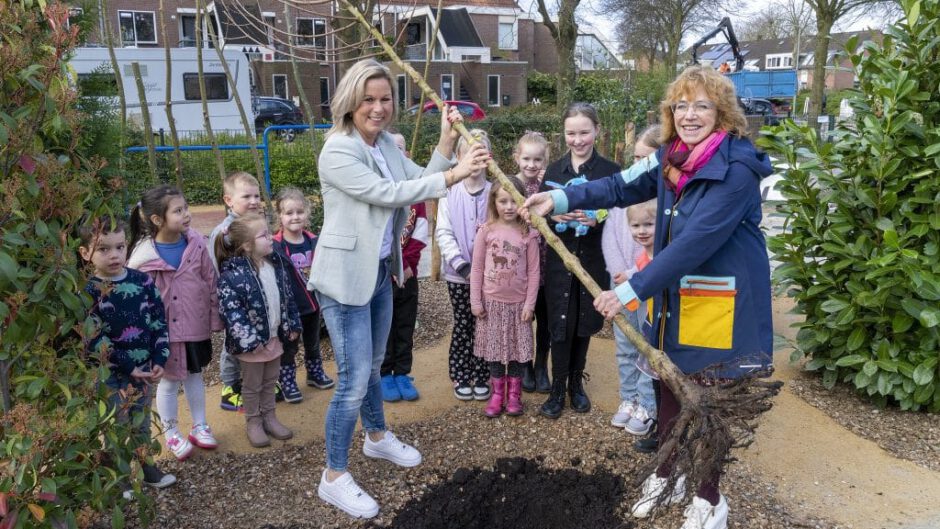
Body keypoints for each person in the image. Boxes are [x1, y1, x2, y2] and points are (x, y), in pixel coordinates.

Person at [523, 65, 774, 529]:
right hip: (675, 297)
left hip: (719, 303)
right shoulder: (671, 157)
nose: (689, 114)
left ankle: (710, 498)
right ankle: (667, 471)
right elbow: (618, 186)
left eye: (701, 105)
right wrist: (558, 201)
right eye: (681, 105)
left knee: (706, 401)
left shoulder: (737, 168)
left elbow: (695, 242)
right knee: (666, 386)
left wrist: (629, 290)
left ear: (721, 112)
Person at [307, 59, 489, 519]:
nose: (378, 107)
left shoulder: (385, 143)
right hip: (346, 279)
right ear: (350, 101)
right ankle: (333, 476)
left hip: (380, 273)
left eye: (385, 98)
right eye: (368, 99)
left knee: (370, 368)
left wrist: (447, 145)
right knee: (351, 381)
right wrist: (455, 172)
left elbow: (415, 179)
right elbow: (389, 194)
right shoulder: (338, 150)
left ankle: (376, 437)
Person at [79, 216, 177, 492]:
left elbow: (158, 321)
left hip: (143, 368)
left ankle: (148, 468)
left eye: (120, 247)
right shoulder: (87, 292)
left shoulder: (143, 282)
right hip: (110, 373)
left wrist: (160, 358)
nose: (114, 255)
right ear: (86, 253)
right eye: (104, 249)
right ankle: (120, 478)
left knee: (141, 420)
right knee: (115, 424)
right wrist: (124, 364)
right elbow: (94, 336)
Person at [127, 185, 222, 461]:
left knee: (195, 375)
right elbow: (135, 300)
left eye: (186, 208)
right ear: (158, 220)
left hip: (194, 324)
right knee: (168, 382)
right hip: (163, 332)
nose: (186, 214)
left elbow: (210, 280)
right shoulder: (143, 258)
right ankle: (170, 431)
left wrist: (214, 317)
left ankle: (200, 425)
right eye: (178, 211)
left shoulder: (195, 243)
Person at [538, 103, 619, 420]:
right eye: (571, 133)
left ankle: (576, 383)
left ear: (597, 130)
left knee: (584, 321)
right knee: (561, 322)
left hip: (593, 257)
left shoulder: (611, 171)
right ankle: (557, 386)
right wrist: (552, 212)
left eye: (584, 132)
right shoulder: (554, 171)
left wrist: (598, 219)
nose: (578, 140)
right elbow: (539, 216)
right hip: (561, 260)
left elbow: (622, 215)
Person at [216, 214, 302, 449]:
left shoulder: (276, 266)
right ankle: (253, 421)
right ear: (246, 245)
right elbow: (232, 312)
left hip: (274, 337)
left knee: (270, 381)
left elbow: (288, 297)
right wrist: (250, 340)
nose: (271, 238)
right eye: (264, 235)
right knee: (252, 385)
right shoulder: (232, 276)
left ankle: (270, 417)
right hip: (252, 345)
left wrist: (292, 323)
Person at [602, 126, 661, 438]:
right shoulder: (624, 195)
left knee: (645, 347)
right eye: (635, 158)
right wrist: (618, 273)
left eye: (645, 159)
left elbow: (662, 254)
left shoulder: (666, 201)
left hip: (647, 286)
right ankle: (629, 399)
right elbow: (610, 237)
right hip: (621, 283)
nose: (638, 165)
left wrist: (636, 277)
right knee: (625, 344)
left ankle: (647, 403)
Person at [470, 177, 540, 418]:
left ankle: (514, 395)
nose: (509, 206)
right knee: (495, 352)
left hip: (518, 305)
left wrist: (530, 304)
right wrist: (476, 301)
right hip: (491, 305)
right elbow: (477, 268)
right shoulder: (486, 231)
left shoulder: (528, 233)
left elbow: (534, 272)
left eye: (514, 201)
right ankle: (497, 394)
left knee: (518, 352)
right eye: (503, 201)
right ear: (494, 202)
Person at [437, 129, 494, 402]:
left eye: (480, 153)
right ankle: (461, 373)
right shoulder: (449, 192)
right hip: (459, 276)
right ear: (458, 157)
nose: (474, 159)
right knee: (463, 323)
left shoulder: (495, 193)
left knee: (485, 323)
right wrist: (463, 267)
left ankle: (483, 374)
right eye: (468, 153)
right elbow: (444, 233)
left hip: (491, 277)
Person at [272, 187, 334, 403]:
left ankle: (314, 373)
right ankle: (287, 380)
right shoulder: (275, 246)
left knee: (313, 341)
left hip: (313, 305)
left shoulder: (314, 241)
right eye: (289, 213)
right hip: (290, 308)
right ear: (279, 216)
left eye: (299, 211)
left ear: (307, 213)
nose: (295, 217)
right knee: (289, 345)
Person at [208, 171, 263, 412]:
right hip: (233, 301)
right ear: (228, 200)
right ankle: (230, 388)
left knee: (257, 338)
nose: (253, 201)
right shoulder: (224, 233)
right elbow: (215, 267)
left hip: (255, 297)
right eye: (246, 196)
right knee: (233, 344)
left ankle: (254, 383)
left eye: (257, 195)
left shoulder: (256, 225)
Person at [381, 132, 428, 402]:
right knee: (385, 324)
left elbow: (419, 233)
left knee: (404, 324)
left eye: (401, 148)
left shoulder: (415, 195)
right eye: (391, 149)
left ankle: (402, 372)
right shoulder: (380, 190)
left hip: (407, 274)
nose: (397, 153)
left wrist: (407, 264)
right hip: (383, 275)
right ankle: (385, 373)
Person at [513, 131, 552, 394]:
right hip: (520, 265)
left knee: (545, 318)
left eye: (537, 159)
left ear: (545, 160)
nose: (531, 164)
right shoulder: (509, 185)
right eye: (526, 158)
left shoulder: (548, 185)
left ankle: (541, 365)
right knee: (523, 317)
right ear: (517, 157)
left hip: (547, 261)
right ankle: (524, 364)